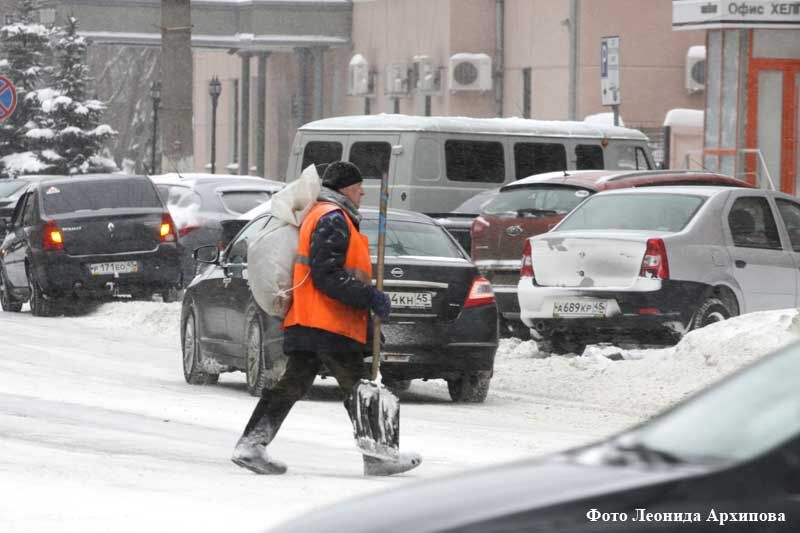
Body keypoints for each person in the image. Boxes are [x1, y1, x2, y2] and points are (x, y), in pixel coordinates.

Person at [231, 161, 422, 476]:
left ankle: (252, 444)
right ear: (347, 188)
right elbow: (326, 274)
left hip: (311, 321)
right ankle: (378, 456)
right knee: (359, 385)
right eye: (359, 187)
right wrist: (369, 297)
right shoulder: (333, 218)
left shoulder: (327, 216)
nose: (362, 193)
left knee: (292, 384)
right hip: (329, 322)